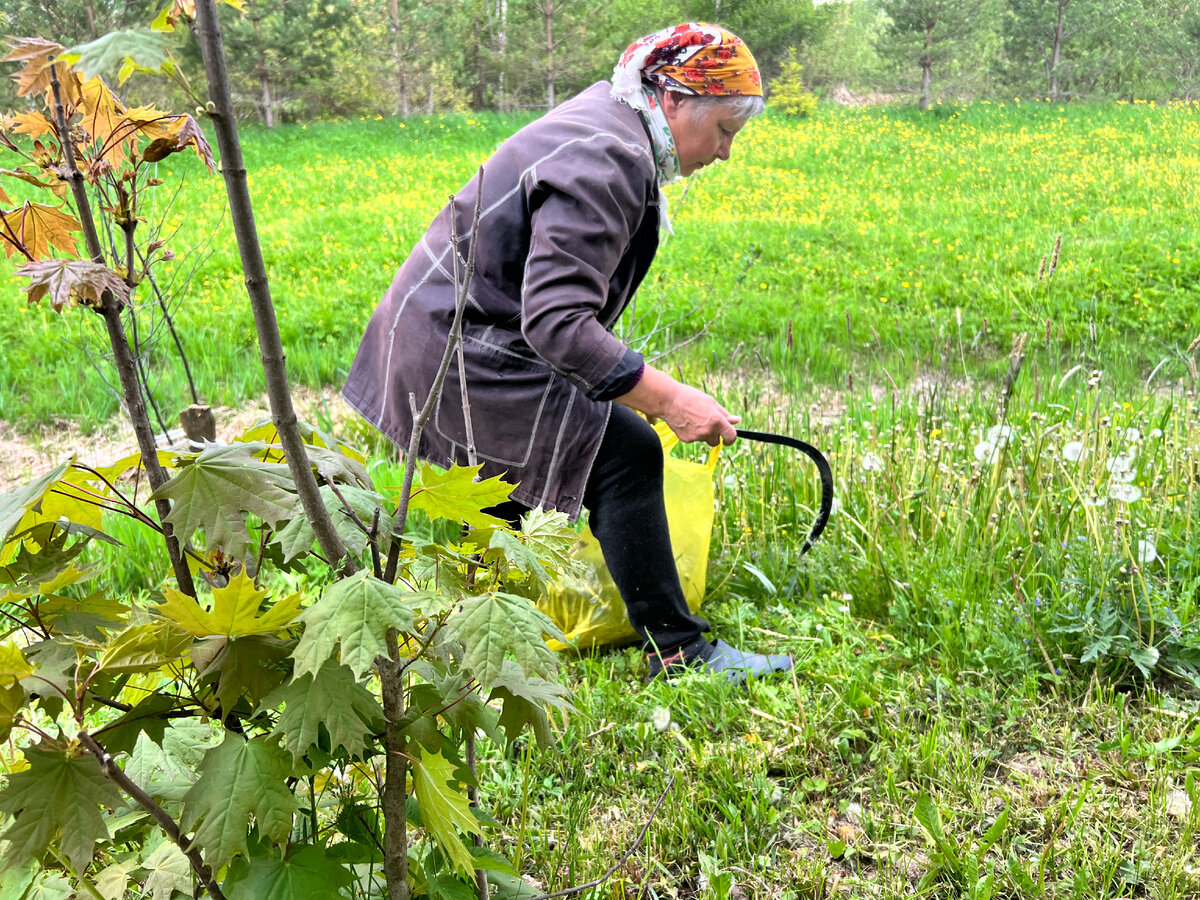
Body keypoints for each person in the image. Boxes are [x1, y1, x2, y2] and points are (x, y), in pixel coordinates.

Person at [343, 22, 792, 684]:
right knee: (626, 453)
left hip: (438, 338)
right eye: (725, 130)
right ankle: (679, 651)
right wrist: (671, 400)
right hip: (463, 352)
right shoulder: (611, 158)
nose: (726, 152)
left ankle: (474, 643)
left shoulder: (610, 120)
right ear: (671, 100)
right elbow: (557, 322)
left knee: (504, 493)